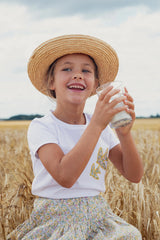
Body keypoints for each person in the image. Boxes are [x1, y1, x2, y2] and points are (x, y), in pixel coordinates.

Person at [8, 34, 144, 239]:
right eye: (67, 68)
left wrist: (124, 134)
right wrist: (97, 124)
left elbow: (134, 175)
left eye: (86, 70)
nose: (78, 75)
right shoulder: (42, 127)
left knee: (131, 235)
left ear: (95, 84)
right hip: (55, 218)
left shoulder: (102, 128)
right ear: (51, 82)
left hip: (99, 216)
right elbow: (65, 177)